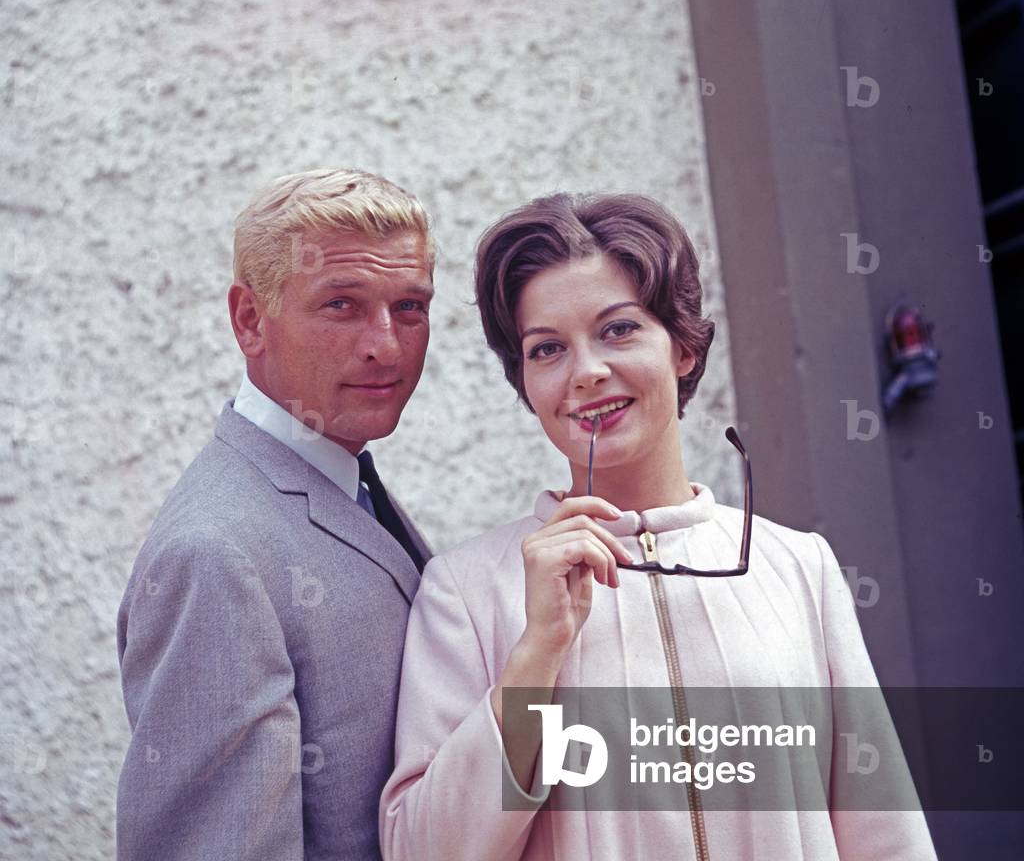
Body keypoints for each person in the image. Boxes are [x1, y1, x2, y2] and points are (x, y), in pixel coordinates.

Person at [379, 192, 936, 860]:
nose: (586, 372)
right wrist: (538, 653)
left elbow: (885, 834)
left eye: (619, 329)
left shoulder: (798, 568)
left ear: (683, 347)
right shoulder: (464, 592)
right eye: (547, 348)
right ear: (526, 384)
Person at [116, 168, 434, 860]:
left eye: (409, 307)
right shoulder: (215, 554)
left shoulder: (344, 471)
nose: (386, 343)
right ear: (250, 321)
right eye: (342, 305)